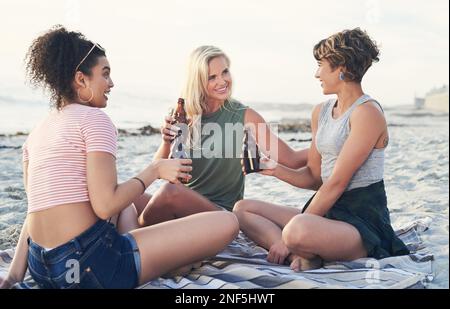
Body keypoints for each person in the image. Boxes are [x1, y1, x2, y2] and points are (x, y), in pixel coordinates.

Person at [0, 26, 238, 289]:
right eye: (105, 74)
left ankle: (156, 258)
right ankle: (163, 261)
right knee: (227, 222)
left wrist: (13, 277)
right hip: (90, 268)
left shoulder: (37, 132)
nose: (111, 84)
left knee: (126, 205)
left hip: (43, 269)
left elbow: (35, 212)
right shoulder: (94, 119)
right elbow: (105, 206)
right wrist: (155, 170)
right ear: (81, 79)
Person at [233, 28, 410, 271]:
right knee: (243, 209)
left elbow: (336, 183)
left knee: (296, 229)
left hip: (361, 222)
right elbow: (314, 177)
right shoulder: (321, 112)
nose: (317, 74)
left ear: (342, 68)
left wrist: (292, 236)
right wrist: (272, 169)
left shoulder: (367, 113)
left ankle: (297, 247)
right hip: (328, 212)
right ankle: (294, 252)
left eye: (321, 65)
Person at [137, 46, 309, 226]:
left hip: (220, 214)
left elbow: (292, 160)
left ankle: (134, 242)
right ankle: (137, 239)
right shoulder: (182, 113)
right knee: (132, 199)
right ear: (198, 81)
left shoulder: (244, 116)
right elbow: (158, 170)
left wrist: (328, 147)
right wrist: (166, 142)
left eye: (225, 72)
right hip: (182, 206)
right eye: (212, 77)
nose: (222, 81)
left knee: (168, 192)